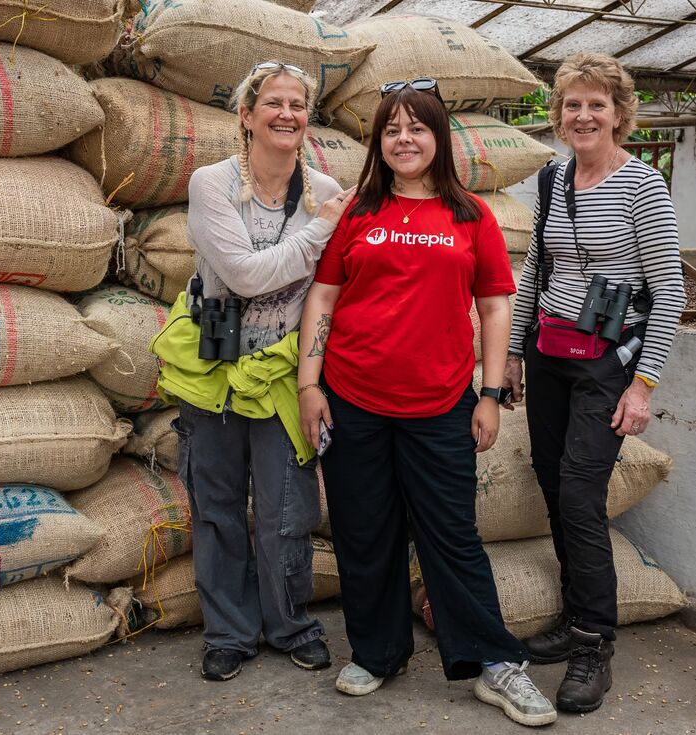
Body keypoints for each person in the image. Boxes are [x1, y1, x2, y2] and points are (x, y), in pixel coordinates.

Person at [297, 78, 557, 728]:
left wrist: (491, 393)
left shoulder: (470, 214)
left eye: (417, 127)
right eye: (392, 128)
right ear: (379, 142)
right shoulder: (357, 212)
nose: (404, 138)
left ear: (439, 137)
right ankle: (379, 651)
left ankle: (496, 663)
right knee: (364, 533)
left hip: (441, 405)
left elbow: (496, 307)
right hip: (353, 400)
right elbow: (322, 298)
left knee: (453, 537)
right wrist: (309, 384)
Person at [158, 61, 355, 682]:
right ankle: (229, 633)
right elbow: (243, 275)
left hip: (281, 371)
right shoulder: (212, 185)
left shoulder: (325, 188)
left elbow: (327, 288)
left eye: (298, 104)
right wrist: (319, 231)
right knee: (216, 505)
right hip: (214, 367)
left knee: (286, 508)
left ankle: (291, 624)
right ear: (246, 116)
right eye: (273, 103)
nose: (286, 114)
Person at [503, 52, 686, 713]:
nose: (583, 115)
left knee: (581, 491)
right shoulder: (552, 180)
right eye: (572, 104)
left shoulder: (643, 187)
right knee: (555, 484)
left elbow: (669, 291)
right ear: (558, 115)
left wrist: (645, 385)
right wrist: (513, 354)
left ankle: (592, 645)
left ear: (618, 113)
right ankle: (574, 613)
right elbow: (534, 272)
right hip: (550, 350)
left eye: (596, 104)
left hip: (610, 361)